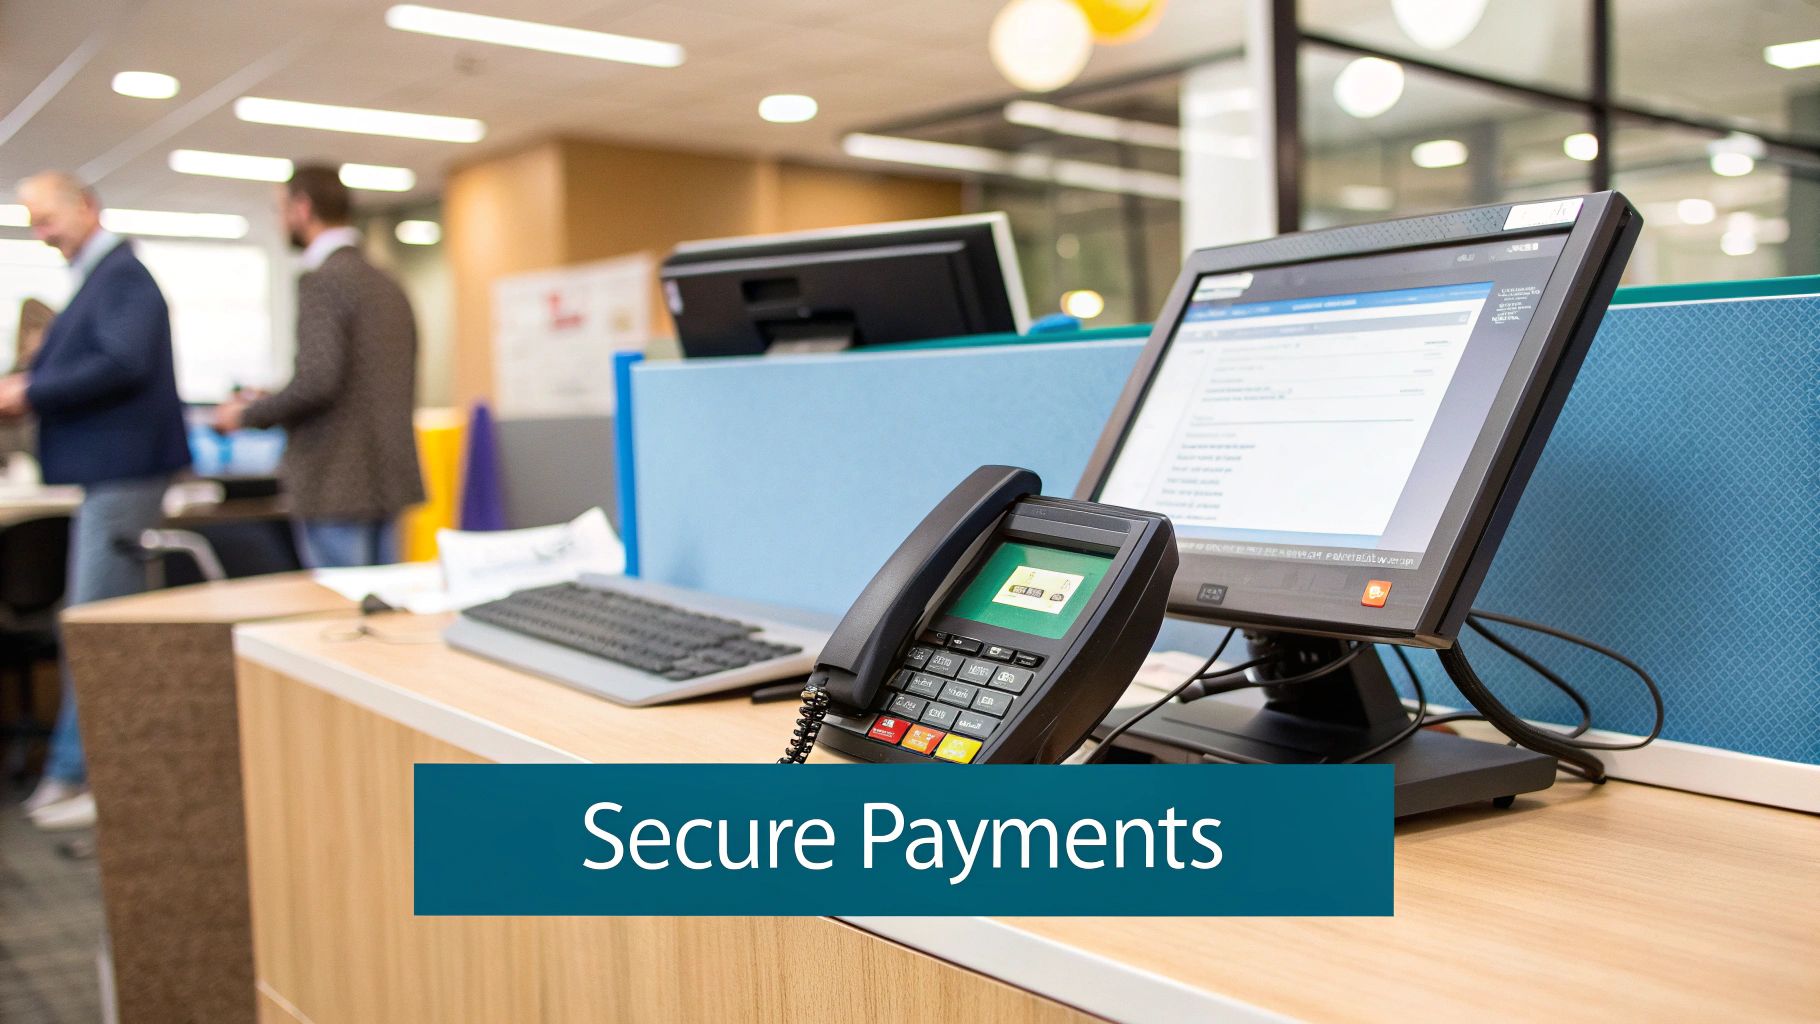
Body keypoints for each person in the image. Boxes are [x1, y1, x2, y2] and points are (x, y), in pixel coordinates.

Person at [2, 172, 190, 831]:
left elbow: (121, 362)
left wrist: (33, 391)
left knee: (94, 626)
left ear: (87, 208)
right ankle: (95, 767)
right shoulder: (101, 279)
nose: (42, 233)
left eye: (48, 218)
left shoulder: (122, 277)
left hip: (125, 474)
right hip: (109, 475)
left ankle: (80, 772)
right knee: (103, 624)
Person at [214, 165, 424, 566]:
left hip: (335, 482)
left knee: (337, 617)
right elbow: (359, 380)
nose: (279, 221)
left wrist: (247, 414)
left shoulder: (322, 279)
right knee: (384, 611)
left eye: (280, 209)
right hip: (388, 476)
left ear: (302, 207)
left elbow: (317, 381)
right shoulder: (387, 282)